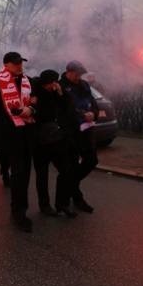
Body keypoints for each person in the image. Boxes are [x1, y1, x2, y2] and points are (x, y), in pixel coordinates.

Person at [0, 52, 37, 232]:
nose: (20, 66)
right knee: (18, 173)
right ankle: (18, 212)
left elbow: (36, 101)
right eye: (16, 64)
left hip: (27, 133)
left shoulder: (28, 81)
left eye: (21, 63)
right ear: (6, 65)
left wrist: (31, 109)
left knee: (26, 172)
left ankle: (21, 208)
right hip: (9, 134)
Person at [32, 70, 78, 218]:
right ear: (48, 83)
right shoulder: (36, 94)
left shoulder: (56, 92)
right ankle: (44, 205)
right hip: (40, 140)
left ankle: (62, 203)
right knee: (42, 174)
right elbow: (37, 114)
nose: (56, 84)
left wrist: (60, 94)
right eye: (54, 82)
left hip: (57, 138)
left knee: (66, 170)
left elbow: (68, 107)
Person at [60, 60, 99, 214]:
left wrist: (93, 114)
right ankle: (76, 198)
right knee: (72, 166)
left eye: (81, 74)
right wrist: (82, 115)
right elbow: (65, 109)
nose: (79, 76)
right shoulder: (61, 86)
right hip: (71, 132)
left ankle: (69, 188)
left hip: (87, 131)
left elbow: (93, 104)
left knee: (91, 160)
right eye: (77, 74)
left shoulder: (84, 85)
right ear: (69, 71)